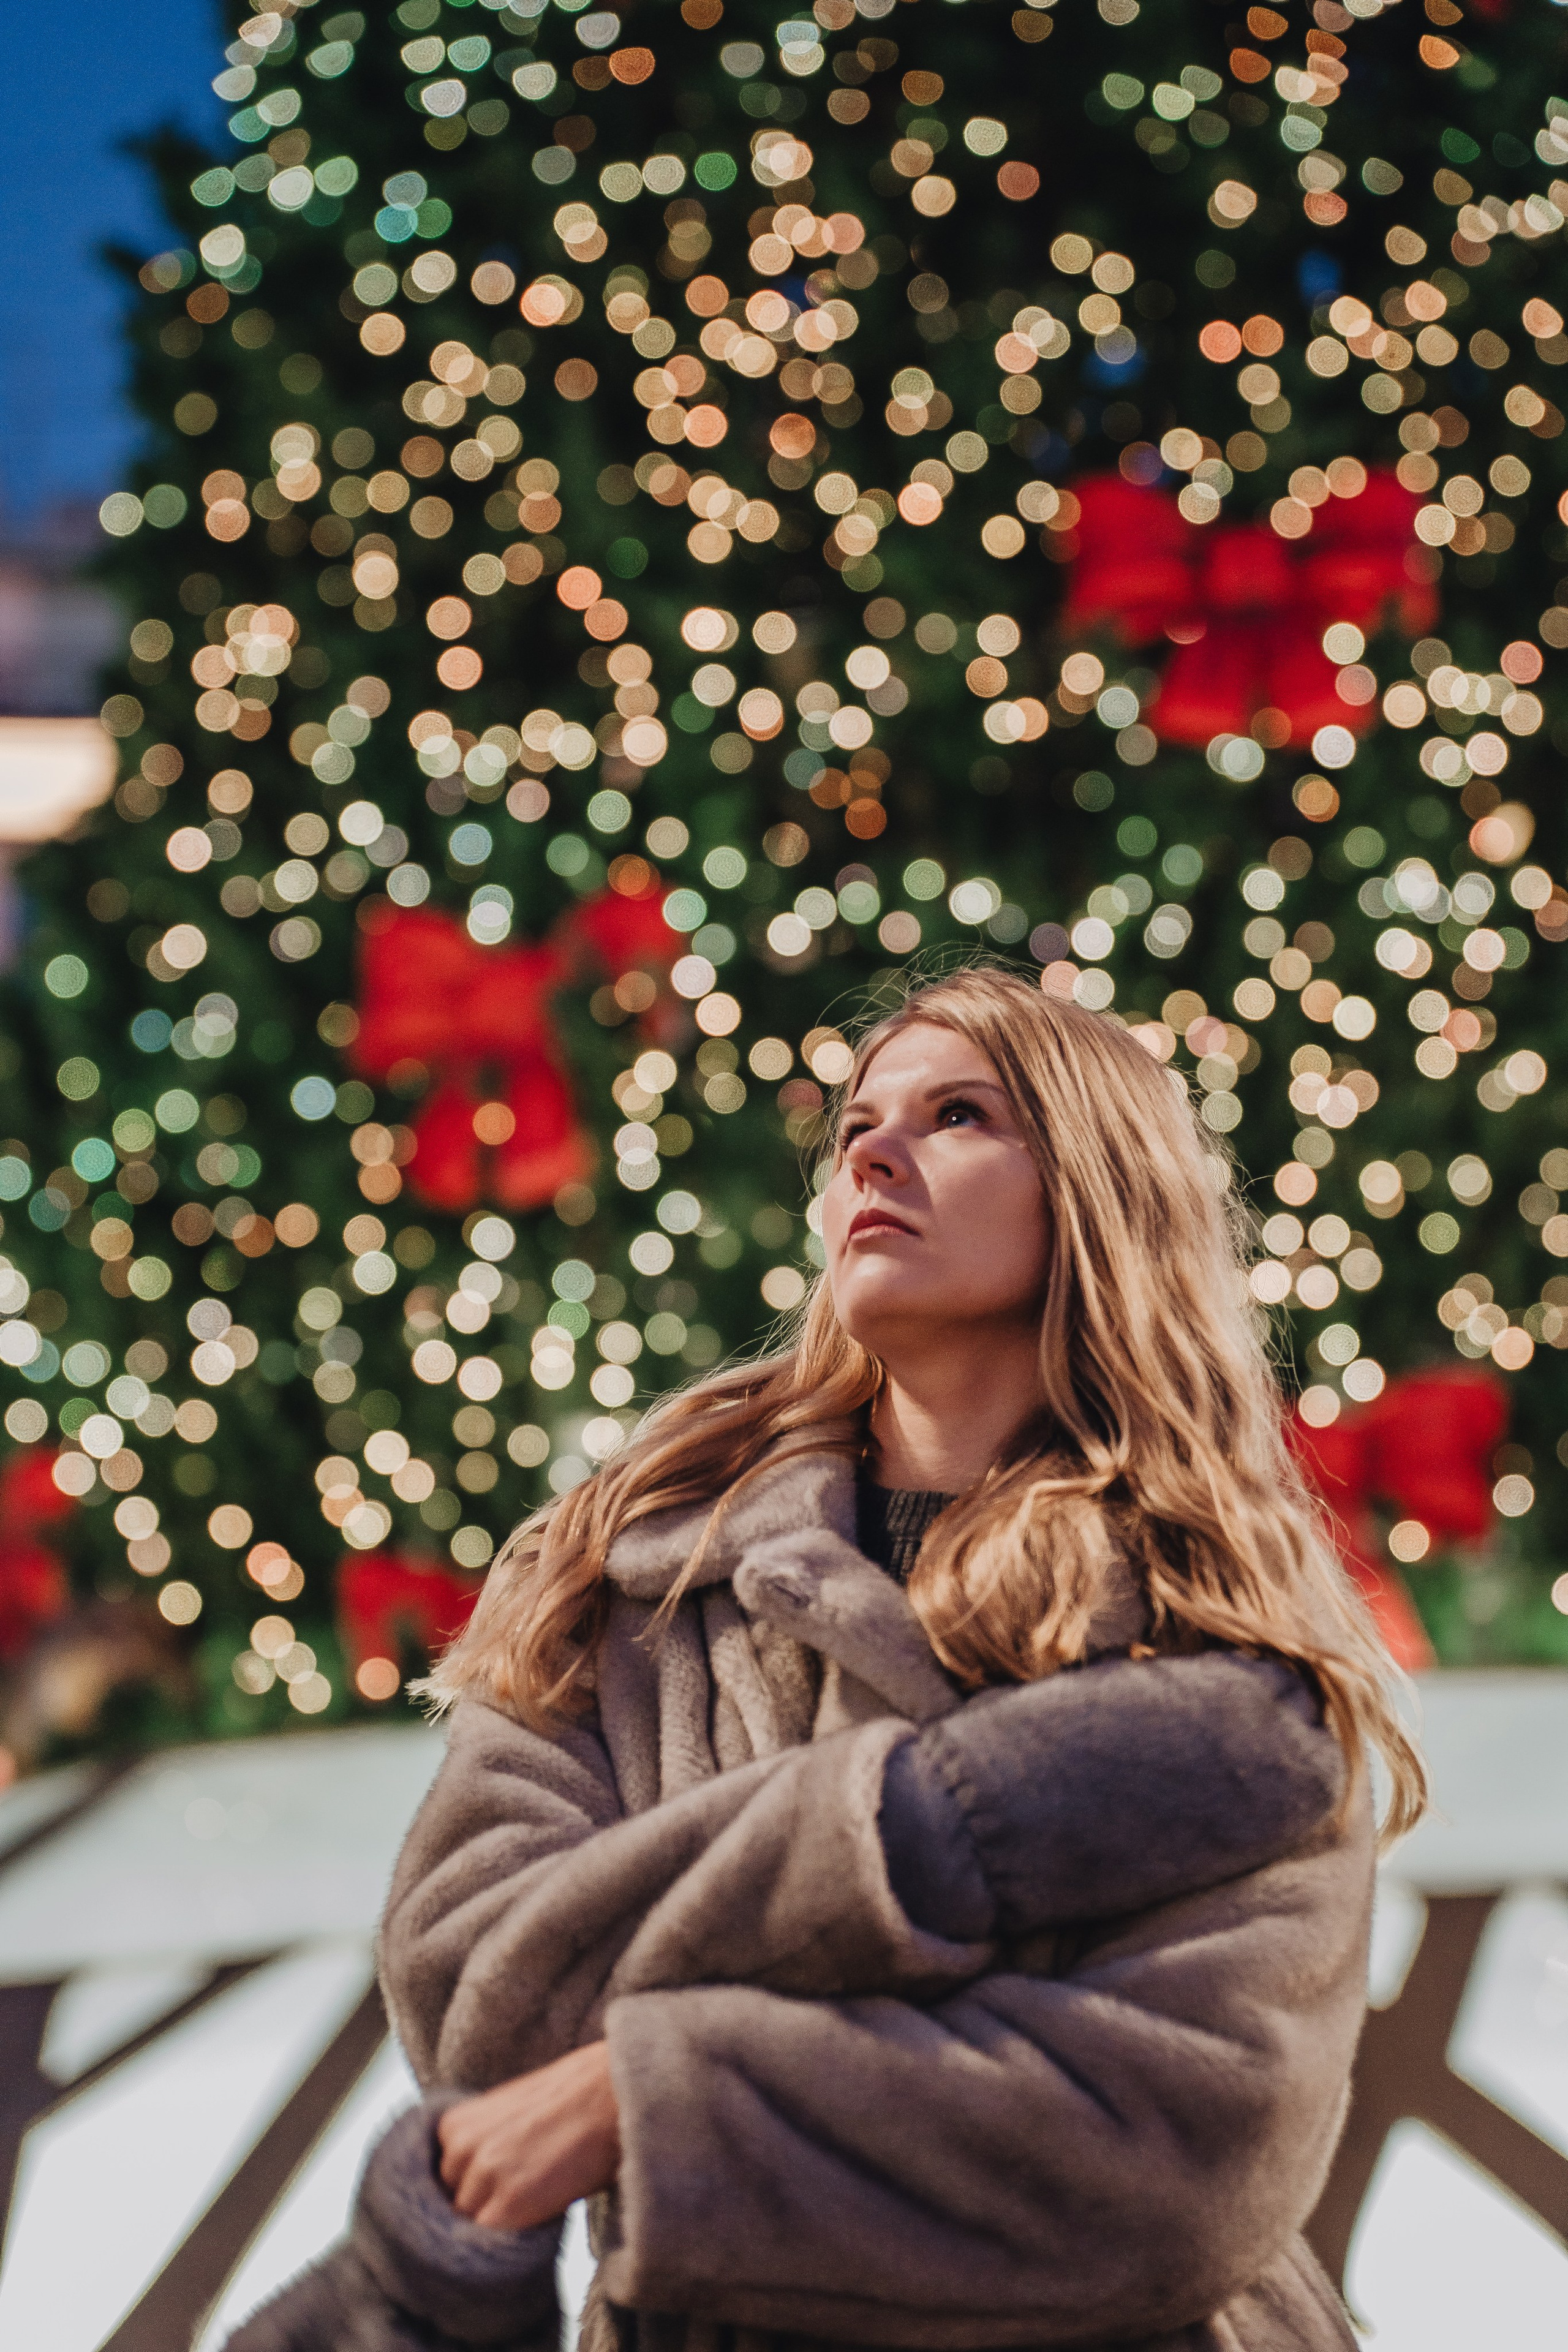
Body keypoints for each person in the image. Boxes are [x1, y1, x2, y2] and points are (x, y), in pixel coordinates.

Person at [231, 968, 1425, 2352]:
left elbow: (1173, 2160)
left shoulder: (1220, 1638)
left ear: (1095, 1196)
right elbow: (477, 1995)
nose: (870, 1149)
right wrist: (919, 1835)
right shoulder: (628, 1569)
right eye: (860, 1120)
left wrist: (649, 2099)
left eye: (959, 1114)